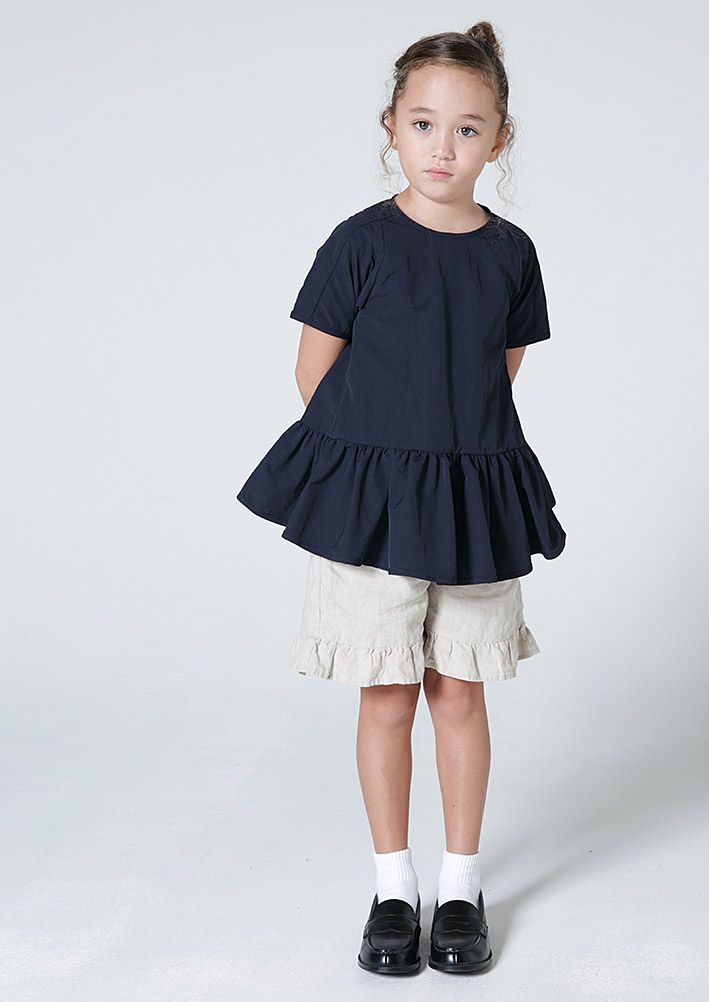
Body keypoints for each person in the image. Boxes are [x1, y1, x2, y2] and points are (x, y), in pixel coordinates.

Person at [236, 20, 566, 975]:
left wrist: (448, 452)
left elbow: (500, 369)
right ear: (392, 127)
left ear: (499, 139)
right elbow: (315, 373)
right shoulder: (359, 243)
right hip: (373, 507)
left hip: (471, 501)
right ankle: (394, 887)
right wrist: (381, 469)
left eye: (467, 128)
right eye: (423, 124)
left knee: (459, 691)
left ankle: (461, 887)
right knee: (386, 694)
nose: (443, 147)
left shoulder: (512, 253)